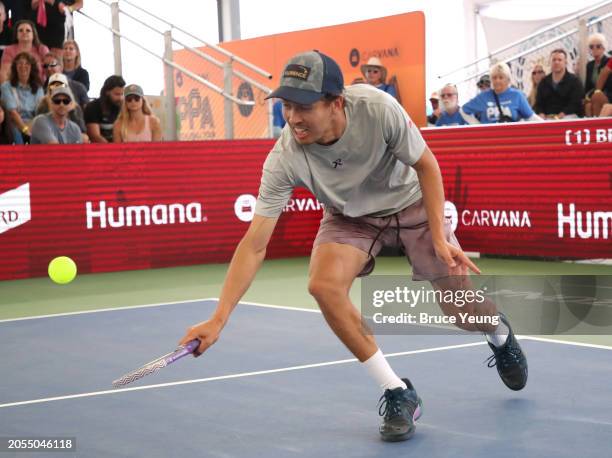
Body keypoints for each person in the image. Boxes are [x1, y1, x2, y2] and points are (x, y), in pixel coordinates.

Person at [178, 50, 528, 443]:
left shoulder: (378, 109)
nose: (293, 118)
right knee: (323, 285)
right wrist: (219, 318)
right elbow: (254, 245)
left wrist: (439, 237)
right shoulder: (285, 156)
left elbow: (427, 166)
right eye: (287, 106)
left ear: (336, 103)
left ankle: (499, 333)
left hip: (410, 201)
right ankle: (397, 391)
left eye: (304, 106)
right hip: (351, 216)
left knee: (461, 309)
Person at [461, 62, 539, 123]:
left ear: (508, 79)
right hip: (490, 140)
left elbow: (530, 117)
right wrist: (478, 126)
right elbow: (463, 110)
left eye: (501, 77)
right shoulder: (483, 97)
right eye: (494, 78)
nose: (497, 80)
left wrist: (547, 127)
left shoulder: (517, 95)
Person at [0, 51, 44, 143]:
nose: (23, 66)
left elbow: (40, 113)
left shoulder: (39, 88)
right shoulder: (6, 86)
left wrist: (30, 129)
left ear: (32, 67)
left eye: (27, 63)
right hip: (13, 125)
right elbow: (12, 113)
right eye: (20, 63)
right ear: (15, 67)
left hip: (33, 124)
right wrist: (25, 130)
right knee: (16, 133)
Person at [535, 48, 584, 119]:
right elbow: (538, 104)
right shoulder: (543, 82)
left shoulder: (574, 81)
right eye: (554, 60)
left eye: (559, 60)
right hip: (548, 117)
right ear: (550, 62)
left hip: (568, 116)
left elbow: (576, 103)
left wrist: (563, 114)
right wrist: (541, 113)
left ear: (565, 62)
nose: (556, 62)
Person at [36, 72, 86, 137]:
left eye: (60, 86)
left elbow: (82, 130)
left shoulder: (75, 107)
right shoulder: (42, 105)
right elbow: (39, 128)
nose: (57, 89)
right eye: (53, 86)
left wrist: (71, 112)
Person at [84, 74, 124, 143]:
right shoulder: (93, 107)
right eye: (117, 94)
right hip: (101, 149)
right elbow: (94, 136)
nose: (120, 98)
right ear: (107, 92)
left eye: (122, 94)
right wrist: (112, 149)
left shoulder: (123, 106)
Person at [584, 33, 611, 117]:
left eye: (598, 46)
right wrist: (586, 97)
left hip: (608, 95)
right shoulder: (589, 65)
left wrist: (598, 92)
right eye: (591, 47)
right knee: (587, 104)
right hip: (593, 94)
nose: (594, 49)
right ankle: (591, 126)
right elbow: (588, 86)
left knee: (597, 96)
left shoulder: (608, 61)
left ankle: (596, 124)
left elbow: (608, 83)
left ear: (603, 48)